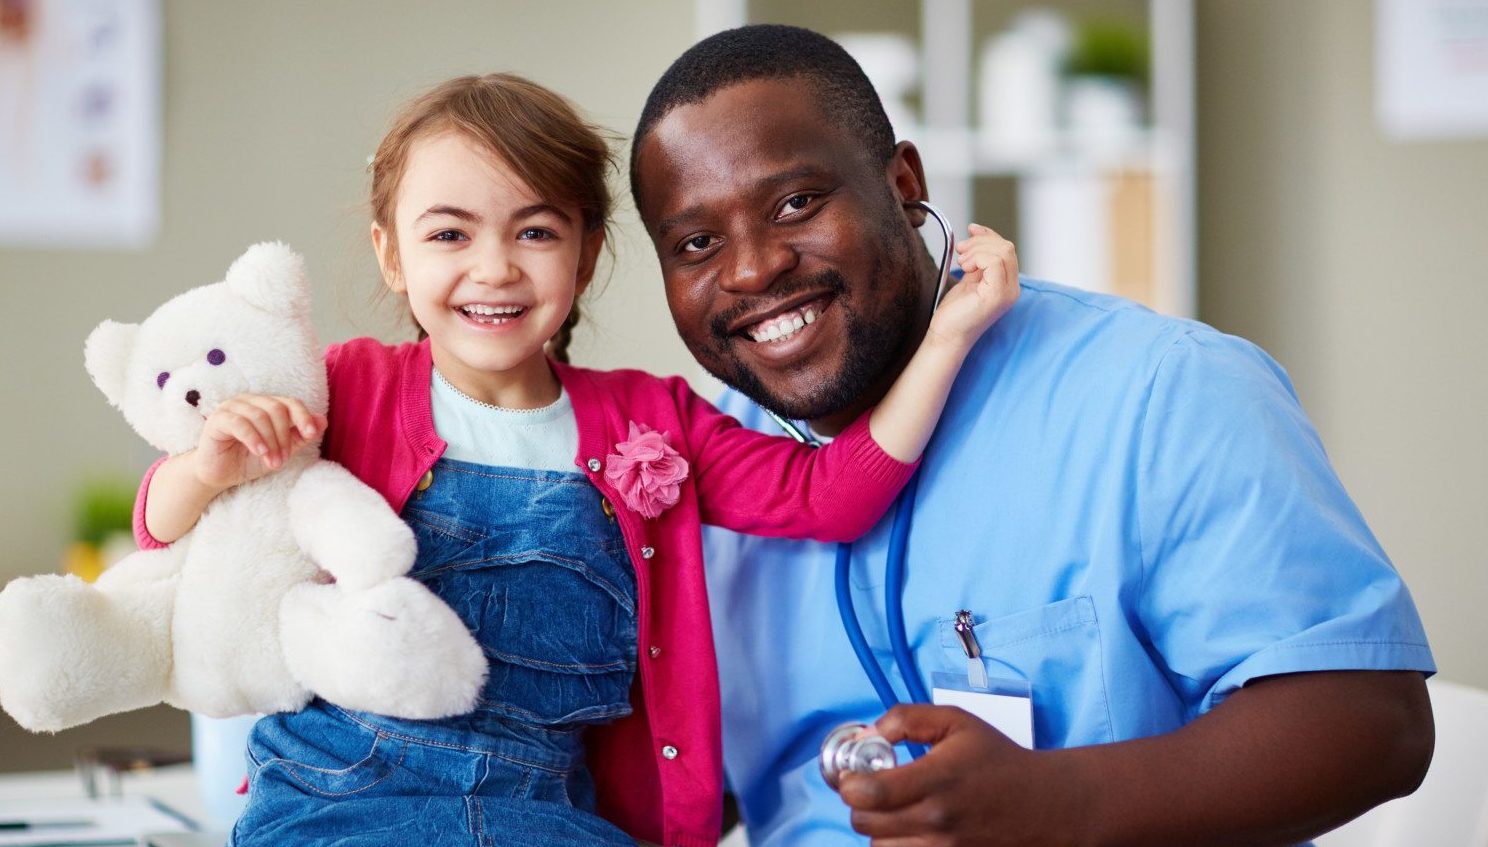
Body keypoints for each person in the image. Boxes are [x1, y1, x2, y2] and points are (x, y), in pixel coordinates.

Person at [132, 74, 1018, 846]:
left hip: (546, 812)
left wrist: (947, 337)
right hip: (337, 806)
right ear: (390, 254)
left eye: (534, 232)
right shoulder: (344, 387)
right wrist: (210, 468)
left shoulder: (653, 416)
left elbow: (830, 496)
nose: (494, 269)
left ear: (588, 252)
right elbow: (162, 530)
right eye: (449, 235)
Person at [629, 24, 1437, 847]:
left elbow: (1374, 722)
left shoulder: (1159, 390)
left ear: (904, 182)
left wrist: (1058, 802)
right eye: (697, 243)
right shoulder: (680, 473)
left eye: (797, 203)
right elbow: (683, 783)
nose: (753, 269)